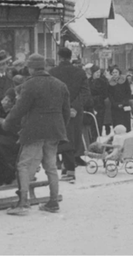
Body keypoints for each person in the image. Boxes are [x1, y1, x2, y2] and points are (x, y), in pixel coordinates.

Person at [0, 53, 70, 215]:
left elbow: (19, 109)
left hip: (34, 131)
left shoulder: (29, 85)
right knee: (51, 167)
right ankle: (53, 202)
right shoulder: (60, 84)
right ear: (43, 66)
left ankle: (23, 203)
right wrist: (60, 129)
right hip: (54, 131)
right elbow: (66, 112)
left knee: (24, 165)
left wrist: (7, 123)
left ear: (30, 68)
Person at [49, 47, 91, 183]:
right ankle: (69, 170)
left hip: (58, 110)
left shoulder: (52, 72)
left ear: (59, 56)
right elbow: (85, 92)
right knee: (73, 138)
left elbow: (52, 93)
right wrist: (74, 107)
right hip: (75, 111)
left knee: (61, 138)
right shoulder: (80, 72)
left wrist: (63, 107)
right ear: (70, 57)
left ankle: (66, 169)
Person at [108, 67, 132, 133]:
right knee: (117, 124)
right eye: (113, 72)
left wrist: (124, 103)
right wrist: (115, 104)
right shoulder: (110, 82)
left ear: (119, 73)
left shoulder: (124, 80)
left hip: (124, 106)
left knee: (125, 124)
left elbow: (128, 92)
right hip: (115, 107)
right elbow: (110, 95)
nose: (114, 74)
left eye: (116, 72)